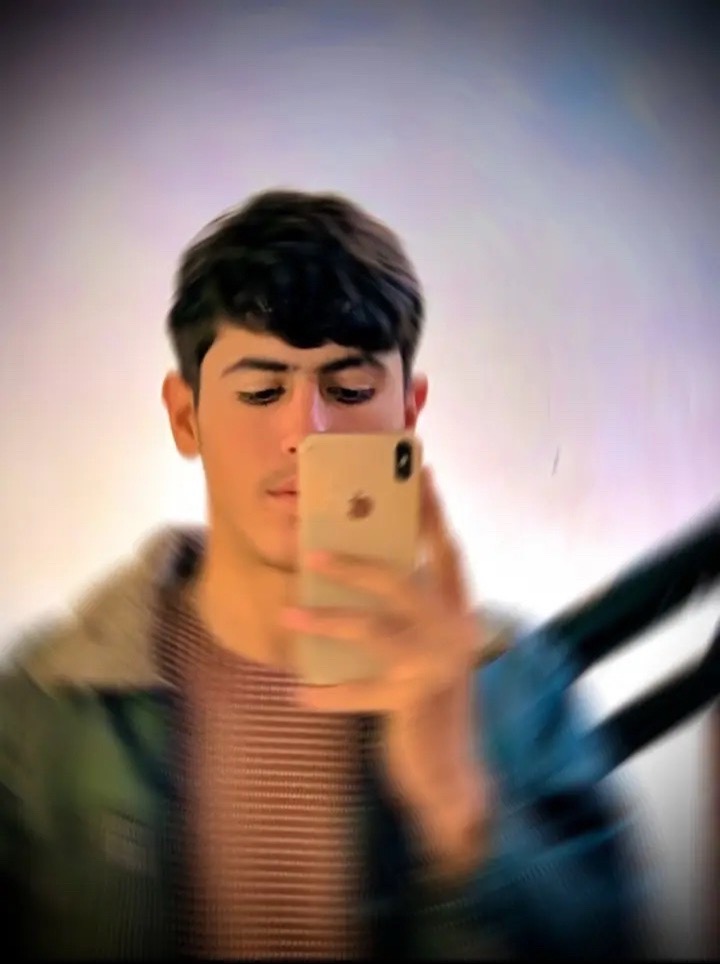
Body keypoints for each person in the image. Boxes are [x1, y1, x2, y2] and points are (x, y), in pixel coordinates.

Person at [0, 189, 646, 960]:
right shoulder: (45, 709)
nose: (305, 430)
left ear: (409, 410)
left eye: (348, 390)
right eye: (261, 390)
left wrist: (459, 807)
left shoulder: (517, 683)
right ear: (185, 417)